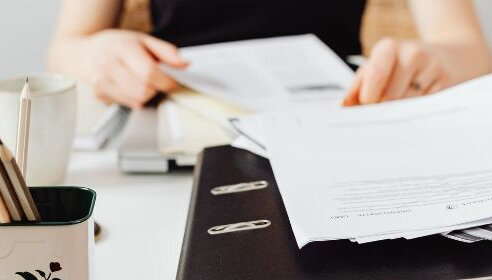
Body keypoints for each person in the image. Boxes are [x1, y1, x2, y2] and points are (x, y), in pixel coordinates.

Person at [48, 0, 491, 108]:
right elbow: (66, 47)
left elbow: (469, 50)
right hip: (179, 117)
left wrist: (432, 63)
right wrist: (97, 55)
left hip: (336, 111)